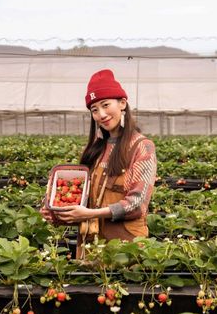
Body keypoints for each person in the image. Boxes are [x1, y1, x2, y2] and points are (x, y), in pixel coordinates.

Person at [41, 69, 157, 254]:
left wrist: (92, 214)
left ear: (122, 103)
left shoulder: (142, 147)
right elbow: (83, 199)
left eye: (105, 105)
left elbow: (137, 203)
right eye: (94, 110)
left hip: (125, 248)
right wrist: (57, 214)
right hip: (89, 244)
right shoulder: (96, 149)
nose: (101, 114)